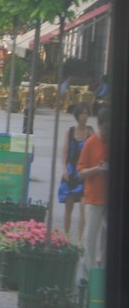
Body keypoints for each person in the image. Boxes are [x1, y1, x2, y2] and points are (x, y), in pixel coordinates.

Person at [77, 107, 109, 272]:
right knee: (90, 237)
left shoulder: (114, 141)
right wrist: (97, 169)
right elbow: (81, 172)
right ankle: (87, 274)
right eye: (106, 128)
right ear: (99, 125)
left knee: (108, 238)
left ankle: (103, 269)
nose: (109, 131)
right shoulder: (91, 143)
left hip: (110, 199)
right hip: (94, 198)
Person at [57, 103, 94, 245]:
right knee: (69, 205)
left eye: (86, 113)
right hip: (71, 172)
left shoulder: (91, 132)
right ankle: (66, 236)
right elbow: (65, 152)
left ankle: (79, 239)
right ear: (77, 116)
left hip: (84, 173)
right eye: (82, 113)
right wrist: (64, 169)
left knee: (84, 207)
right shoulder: (70, 131)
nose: (85, 116)